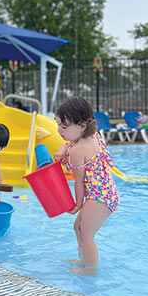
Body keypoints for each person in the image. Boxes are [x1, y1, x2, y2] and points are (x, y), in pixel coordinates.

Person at [53, 96, 119, 276]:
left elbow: (79, 182)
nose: (59, 130)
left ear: (81, 126)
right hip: (106, 192)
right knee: (78, 228)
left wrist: (77, 205)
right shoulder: (93, 135)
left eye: (64, 127)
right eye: (58, 124)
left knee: (86, 233)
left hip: (100, 198)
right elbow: (69, 142)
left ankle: (90, 270)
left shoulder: (77, 151)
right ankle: (84, 260)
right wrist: (62, 149)